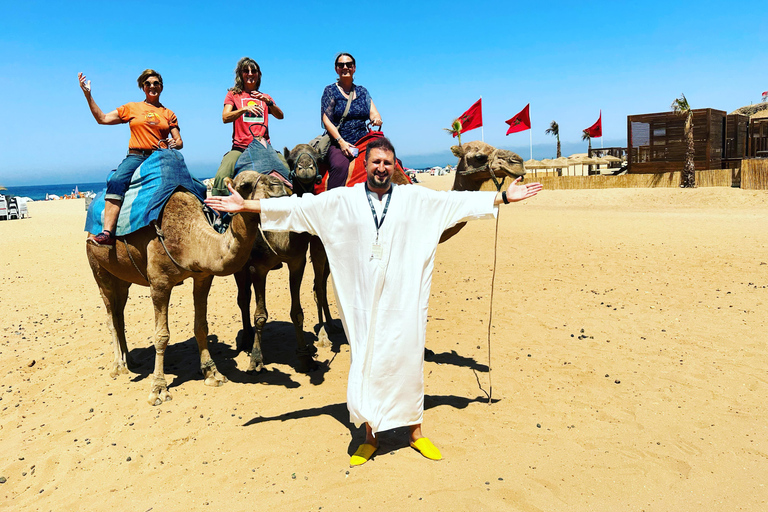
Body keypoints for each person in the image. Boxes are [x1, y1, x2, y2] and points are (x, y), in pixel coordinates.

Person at [204, 137, 542, 465]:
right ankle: (371, 437)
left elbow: (453, 204)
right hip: (363, 299)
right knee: (366, 360)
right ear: (365, 166)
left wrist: (503, 199)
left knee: (409, 359)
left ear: (394, 166)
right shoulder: (344, 200)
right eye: (376, 162)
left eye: (387, 163)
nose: (382, 168)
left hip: (404, 297)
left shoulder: (413, 198)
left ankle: (414, 431)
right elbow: (301, 207)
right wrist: (247, 205)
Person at [78, 69, 182, 246]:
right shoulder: (132, 108)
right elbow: (102, 118)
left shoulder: (168, 113)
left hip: (161, 156)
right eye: (148, 83)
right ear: (143, 87)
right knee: (117, 180)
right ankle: (107, 232)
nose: (152, 86)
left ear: (161, 87)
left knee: (191, 184)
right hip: (136, 156)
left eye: (156, 83)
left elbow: (179, 141)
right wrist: (88, 95)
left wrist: (176, 143)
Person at [211, 57, 287, 196]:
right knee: (222, 175)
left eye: (254, 71)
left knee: (287, 169)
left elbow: (280, 116)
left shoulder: (265, 96)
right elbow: (225, 117)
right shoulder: (233, 95)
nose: (250, 74)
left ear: (258, 75)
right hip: (240, 148)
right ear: (241, 74)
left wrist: (268, 102)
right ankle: (218, 213)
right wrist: (243, 109)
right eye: (246, 71)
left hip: (264, 146)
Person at [321, 53, 382, 190]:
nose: (345, 67)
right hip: (339, 141)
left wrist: (376, 119)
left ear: (354, 68)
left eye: (349, 64)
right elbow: (326, 120)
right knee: (339, 166)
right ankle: (332, 203)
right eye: (341, 65)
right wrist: (341, 142)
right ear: (336, 69)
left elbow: (374, 113)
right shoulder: (330, 90)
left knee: (390, 161)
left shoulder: (362, 91)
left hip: (363, 140)